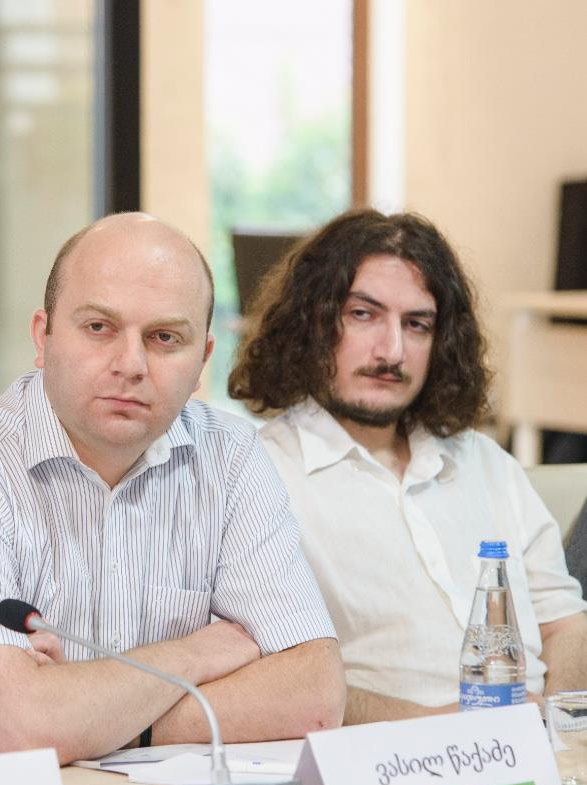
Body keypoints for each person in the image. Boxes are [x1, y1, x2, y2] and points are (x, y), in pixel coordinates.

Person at [0, 212, 345, 768]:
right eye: (98, 328)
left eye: (165, 338)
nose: (131, 365)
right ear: (42, 336)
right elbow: (29, 726)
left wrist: (94, 718)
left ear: (202, 361)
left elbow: (314, 694)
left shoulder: (230, 456)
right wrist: (195, 654)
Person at [229, 208, 587, 724]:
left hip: (540, 749)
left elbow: (565, 624)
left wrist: (558, 721)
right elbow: (276, 682)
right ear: (311, 323)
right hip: (387, 760)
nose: (392, 351)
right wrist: (443, 728)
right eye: (362, 314)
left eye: (417, 325)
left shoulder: (486, 462)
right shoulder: (260, 476)